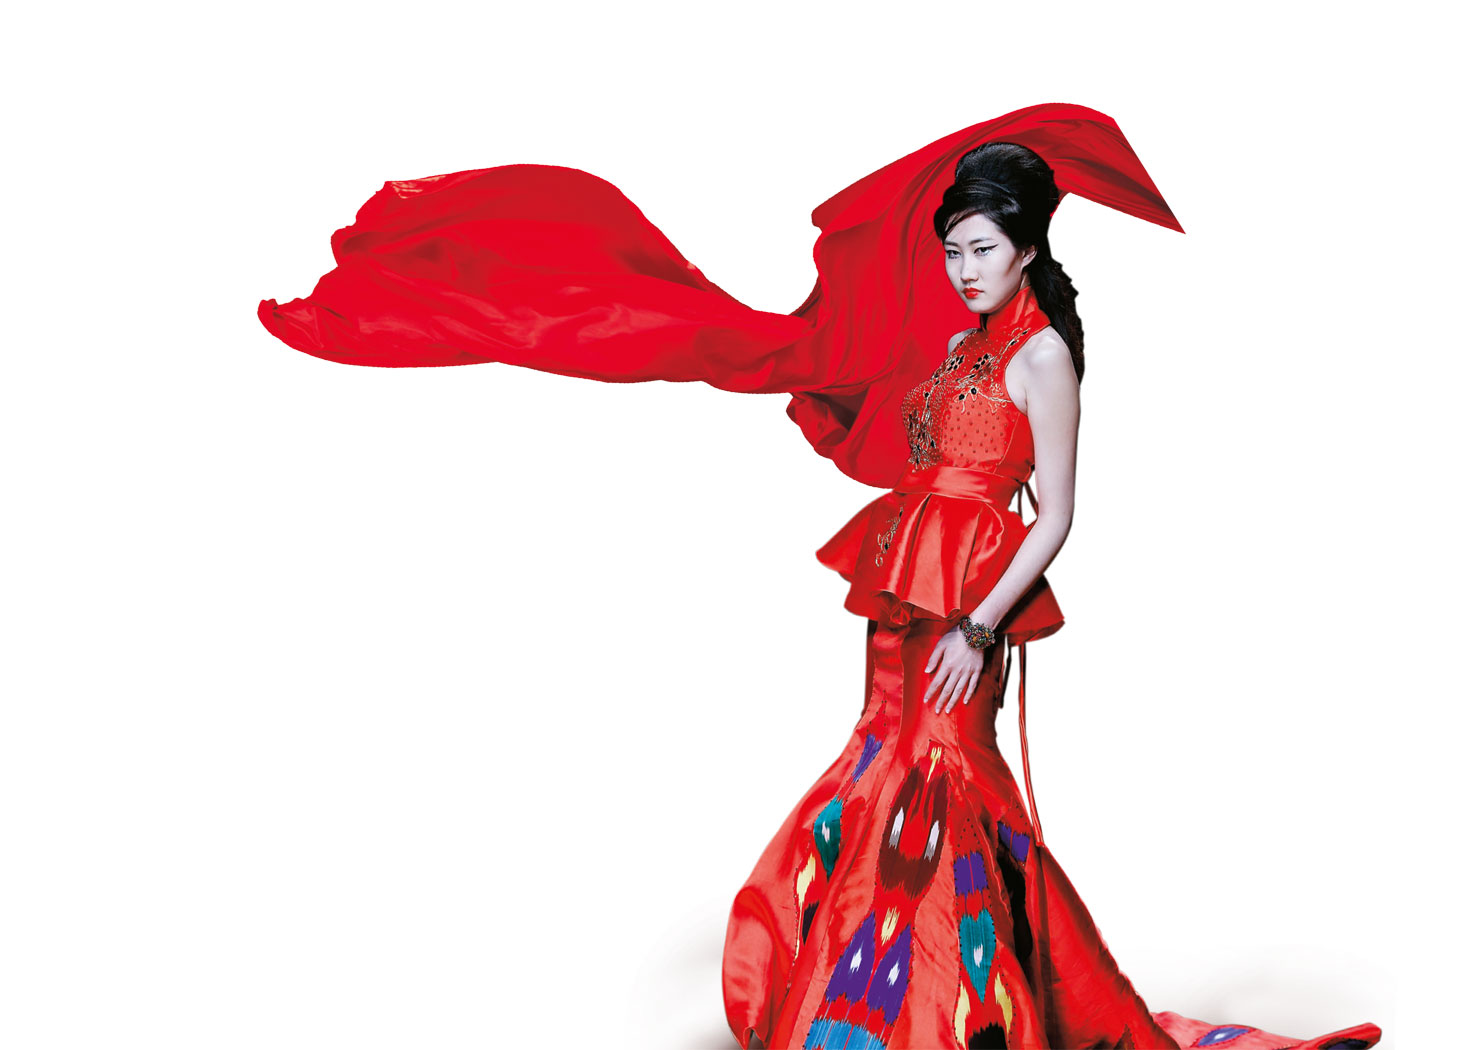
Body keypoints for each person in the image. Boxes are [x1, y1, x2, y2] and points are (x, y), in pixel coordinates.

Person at [258, 103, 1383, 1050]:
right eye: (953, 252)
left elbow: (1058, 515)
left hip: (969, 600)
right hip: (904, 584)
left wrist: (980, 627)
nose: (963, 270)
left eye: (980, 250)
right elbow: (918, 442)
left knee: (949, 784)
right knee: (884, 765)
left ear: (1026, 246)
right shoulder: (960, 346)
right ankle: (889, 998)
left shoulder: (1044, 356)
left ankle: (955, 1014)